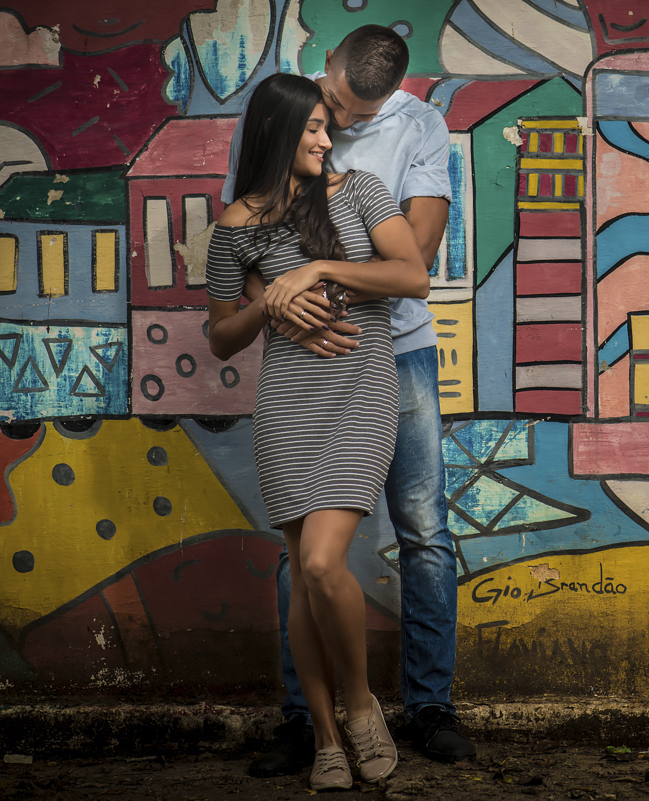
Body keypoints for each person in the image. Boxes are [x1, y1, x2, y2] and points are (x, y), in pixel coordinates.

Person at [221, 26, 475, 777]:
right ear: (325, 66)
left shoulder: (422, 127)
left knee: (424, 526)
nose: (335, 125)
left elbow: (416, 257)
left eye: (353, 113)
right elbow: (253, 240)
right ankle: (309, 718)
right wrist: (276, 301)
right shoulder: (296, 105)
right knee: (300, 553)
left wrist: (316, 280)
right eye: (330, 102)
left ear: (388, 94)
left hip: (396, 352)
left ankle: (429, 704)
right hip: (302, 366)